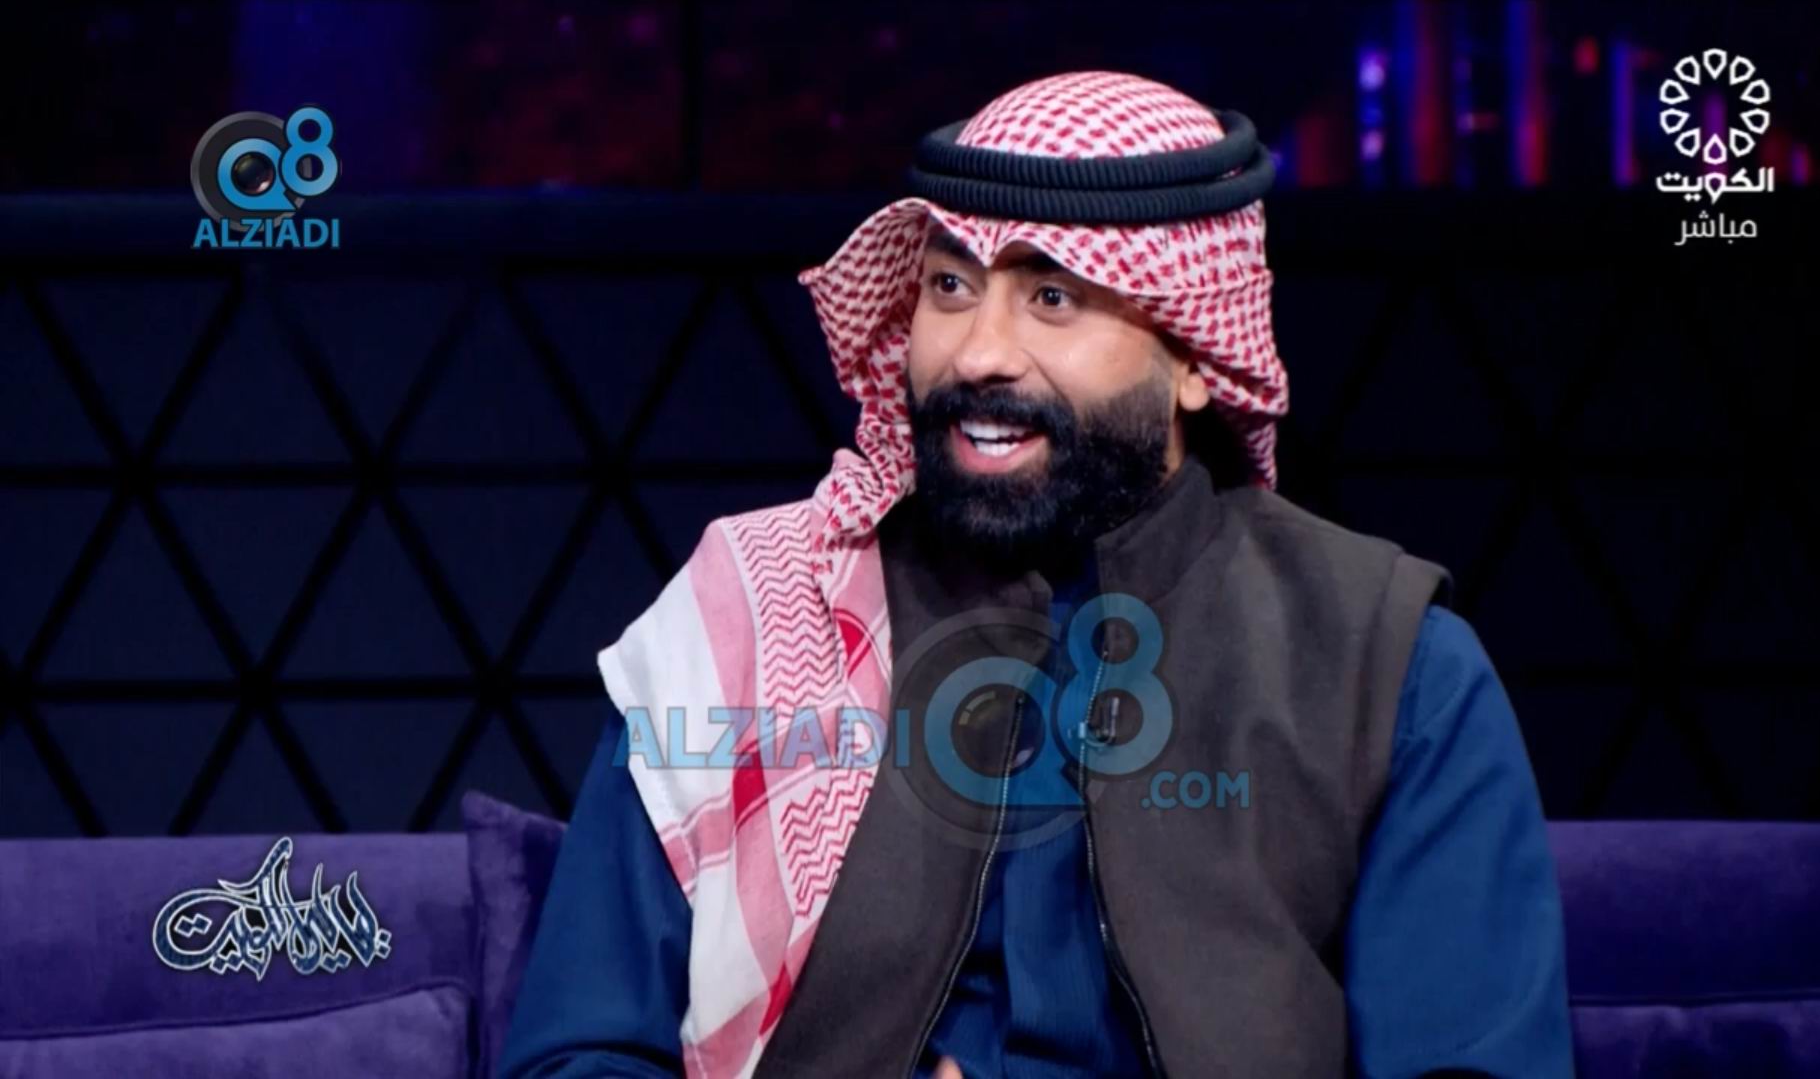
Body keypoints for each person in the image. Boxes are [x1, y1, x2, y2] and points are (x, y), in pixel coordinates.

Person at [498, 71, 1573, 1079]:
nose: (978, 354)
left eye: (1052, 298)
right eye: (950, 287)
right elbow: (579, 1055)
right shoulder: (753, 612)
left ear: (1196, 357)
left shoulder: (1388, 665)